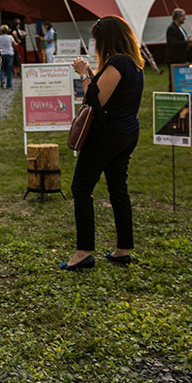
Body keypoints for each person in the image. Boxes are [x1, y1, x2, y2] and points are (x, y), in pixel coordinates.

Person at [62, 16, 144, 271]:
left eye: (97, 39)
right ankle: (123, 249)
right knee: (118, 189)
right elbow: (110, 92)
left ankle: (84, 252)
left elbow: (96, 101)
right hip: (127, 132)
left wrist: (82, 75)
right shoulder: (134, 63)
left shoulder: (117, 62)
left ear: (107, 39)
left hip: (107, 135)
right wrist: (91, 73)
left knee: (81, 188)